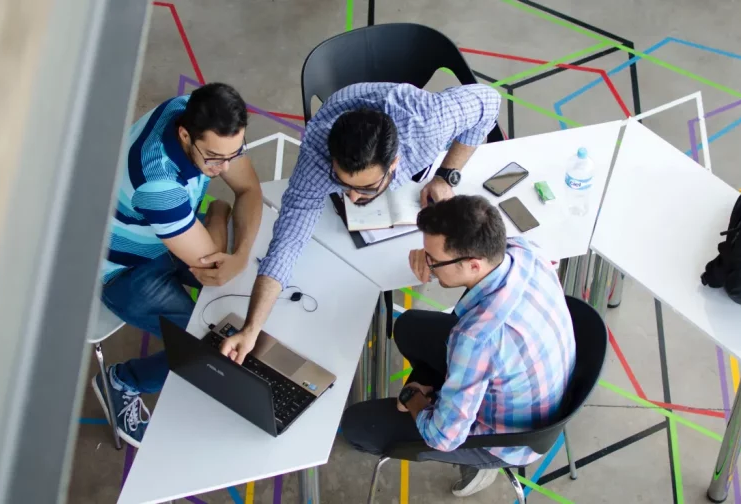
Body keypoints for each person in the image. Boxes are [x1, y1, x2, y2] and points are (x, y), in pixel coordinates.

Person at [219, 82, 502, 364]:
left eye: (366, 189)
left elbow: (490, 101)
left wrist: (447, 174)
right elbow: (287, 242)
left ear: (394, 164)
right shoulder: (316, 155)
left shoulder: (428, 124)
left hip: (407, 114)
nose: (353, 198)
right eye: (343, 184)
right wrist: (252, 328)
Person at [340, 195, 577, 497]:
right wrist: (427, 254)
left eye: (433, 261)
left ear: (473, 264)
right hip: (538, 385)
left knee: (357, 425)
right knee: (409, 326)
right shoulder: (523, 251)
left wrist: (414, 396)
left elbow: (442, 437)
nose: (429, 265)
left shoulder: (476, 338)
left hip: (507, 438)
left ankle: (480, 466)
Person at [92, 83, 263, 447]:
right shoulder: (158, 184)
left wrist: (242, 252)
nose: (225, 167)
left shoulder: (194, 111)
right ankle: (123, 381)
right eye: (215, 158)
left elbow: (249, 189)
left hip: (168, 235)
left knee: (240, 294)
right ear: (185, 135)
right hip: (124, 271)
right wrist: (219, 211)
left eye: (235, 153)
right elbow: (213, 269)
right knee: (204, 345)